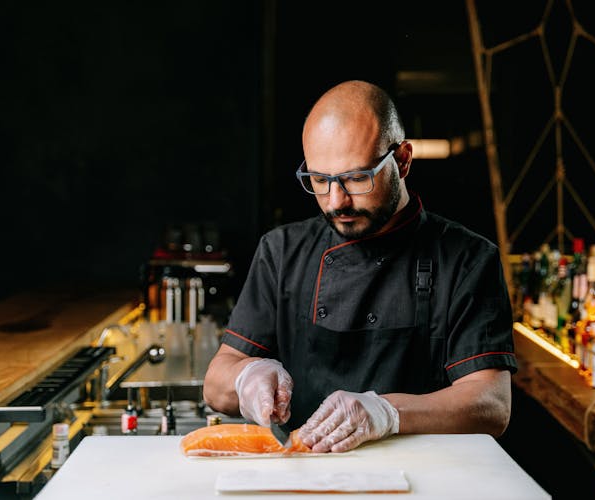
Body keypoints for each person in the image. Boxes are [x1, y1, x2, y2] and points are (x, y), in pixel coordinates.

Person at [203, 80, 517, 453]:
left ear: (402, 160)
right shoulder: (282, 251)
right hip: (307, 475)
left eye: (356, 178)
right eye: (320, 180)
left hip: (423, 479)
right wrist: (246, 378)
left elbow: (493, 405)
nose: (337, 201)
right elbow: (215, 383)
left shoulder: (466, 258)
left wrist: (387, 413)